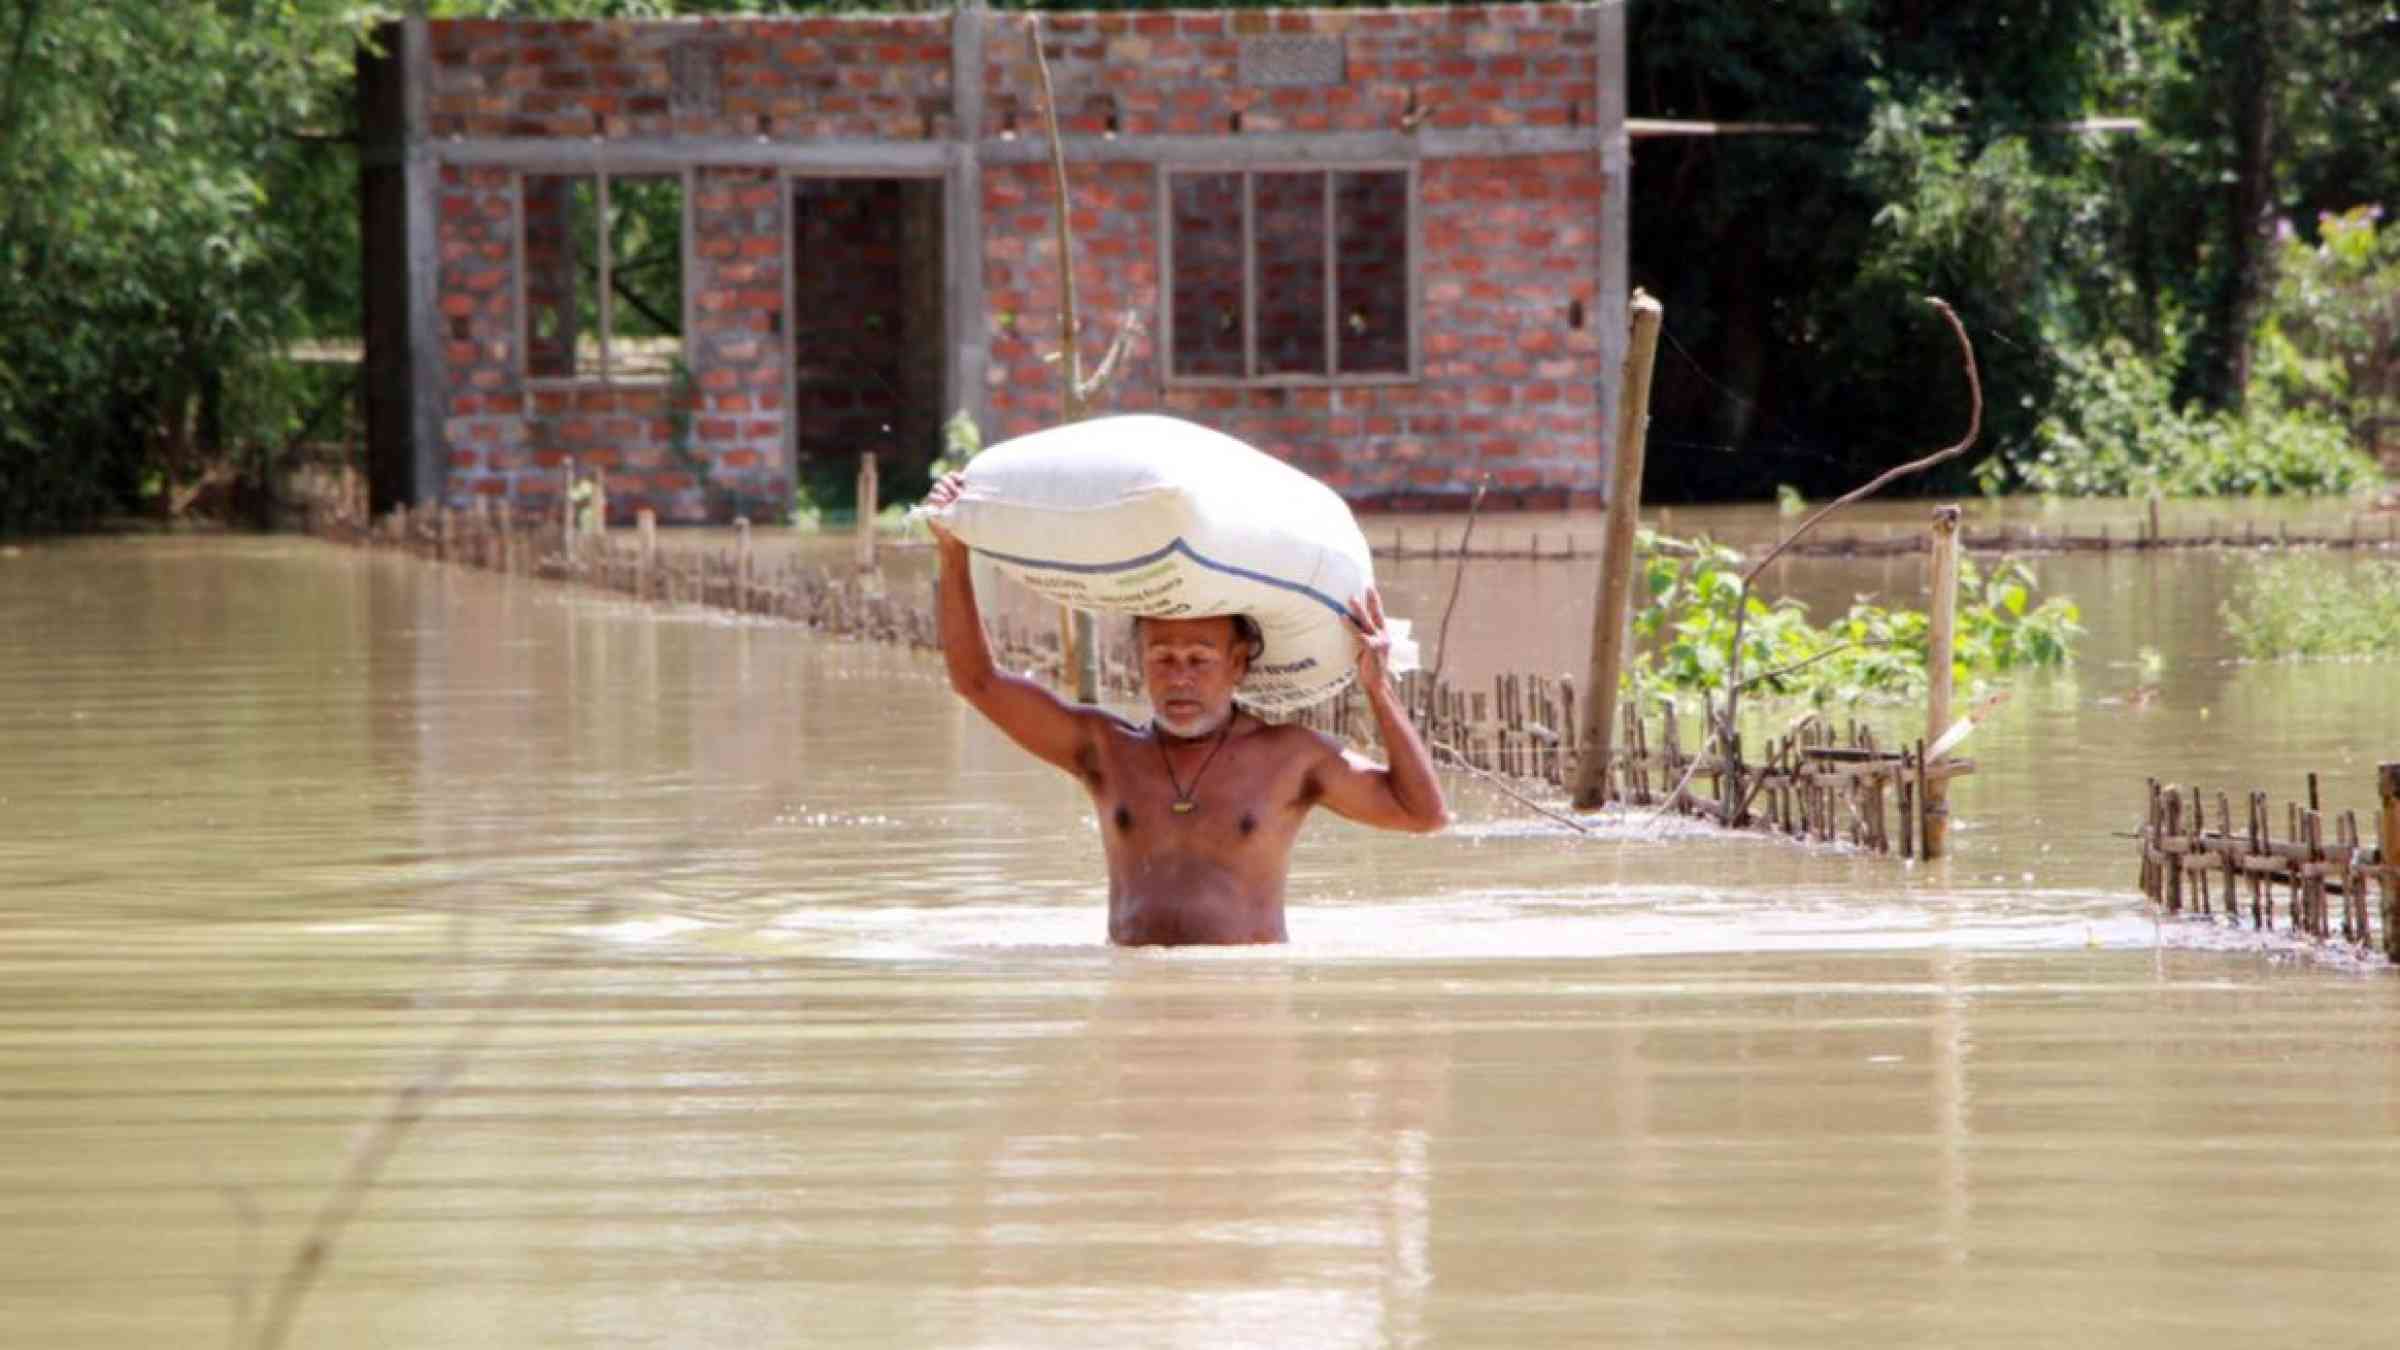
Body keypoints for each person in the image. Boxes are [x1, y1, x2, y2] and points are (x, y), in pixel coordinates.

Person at [923, 472, 1448, 946]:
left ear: (1239, 663)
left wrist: (1380, 692)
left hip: (1243, 998)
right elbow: (977, 682)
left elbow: (1424, 816)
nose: (1179, 677)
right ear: (1139, 661)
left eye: (1199, 659)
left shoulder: (1291, 757)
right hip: (1132, 1003)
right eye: (1163, 657)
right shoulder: (1105, 749)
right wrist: (953, 555)